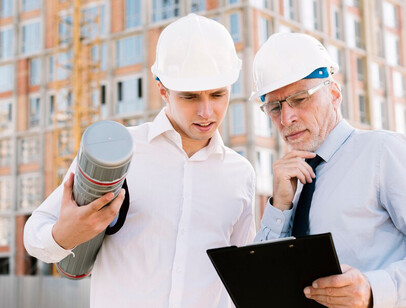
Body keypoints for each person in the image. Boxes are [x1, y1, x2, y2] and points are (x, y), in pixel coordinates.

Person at [24, 14, 255, 308]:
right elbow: (34, 234)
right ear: (162, 89)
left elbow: (238, 275)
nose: (206, 111)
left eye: (218, 94)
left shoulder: (241, 174)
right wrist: (64, 234)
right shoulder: (118, 153)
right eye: (190, 97)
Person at [252, 32, 406, 308]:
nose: (287, 118)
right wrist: (280, 205)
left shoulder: (383, 152)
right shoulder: (289, 181)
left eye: (300, 99)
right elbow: (261, 277)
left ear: (334, 94)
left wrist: (373, 289)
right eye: (275, 107)